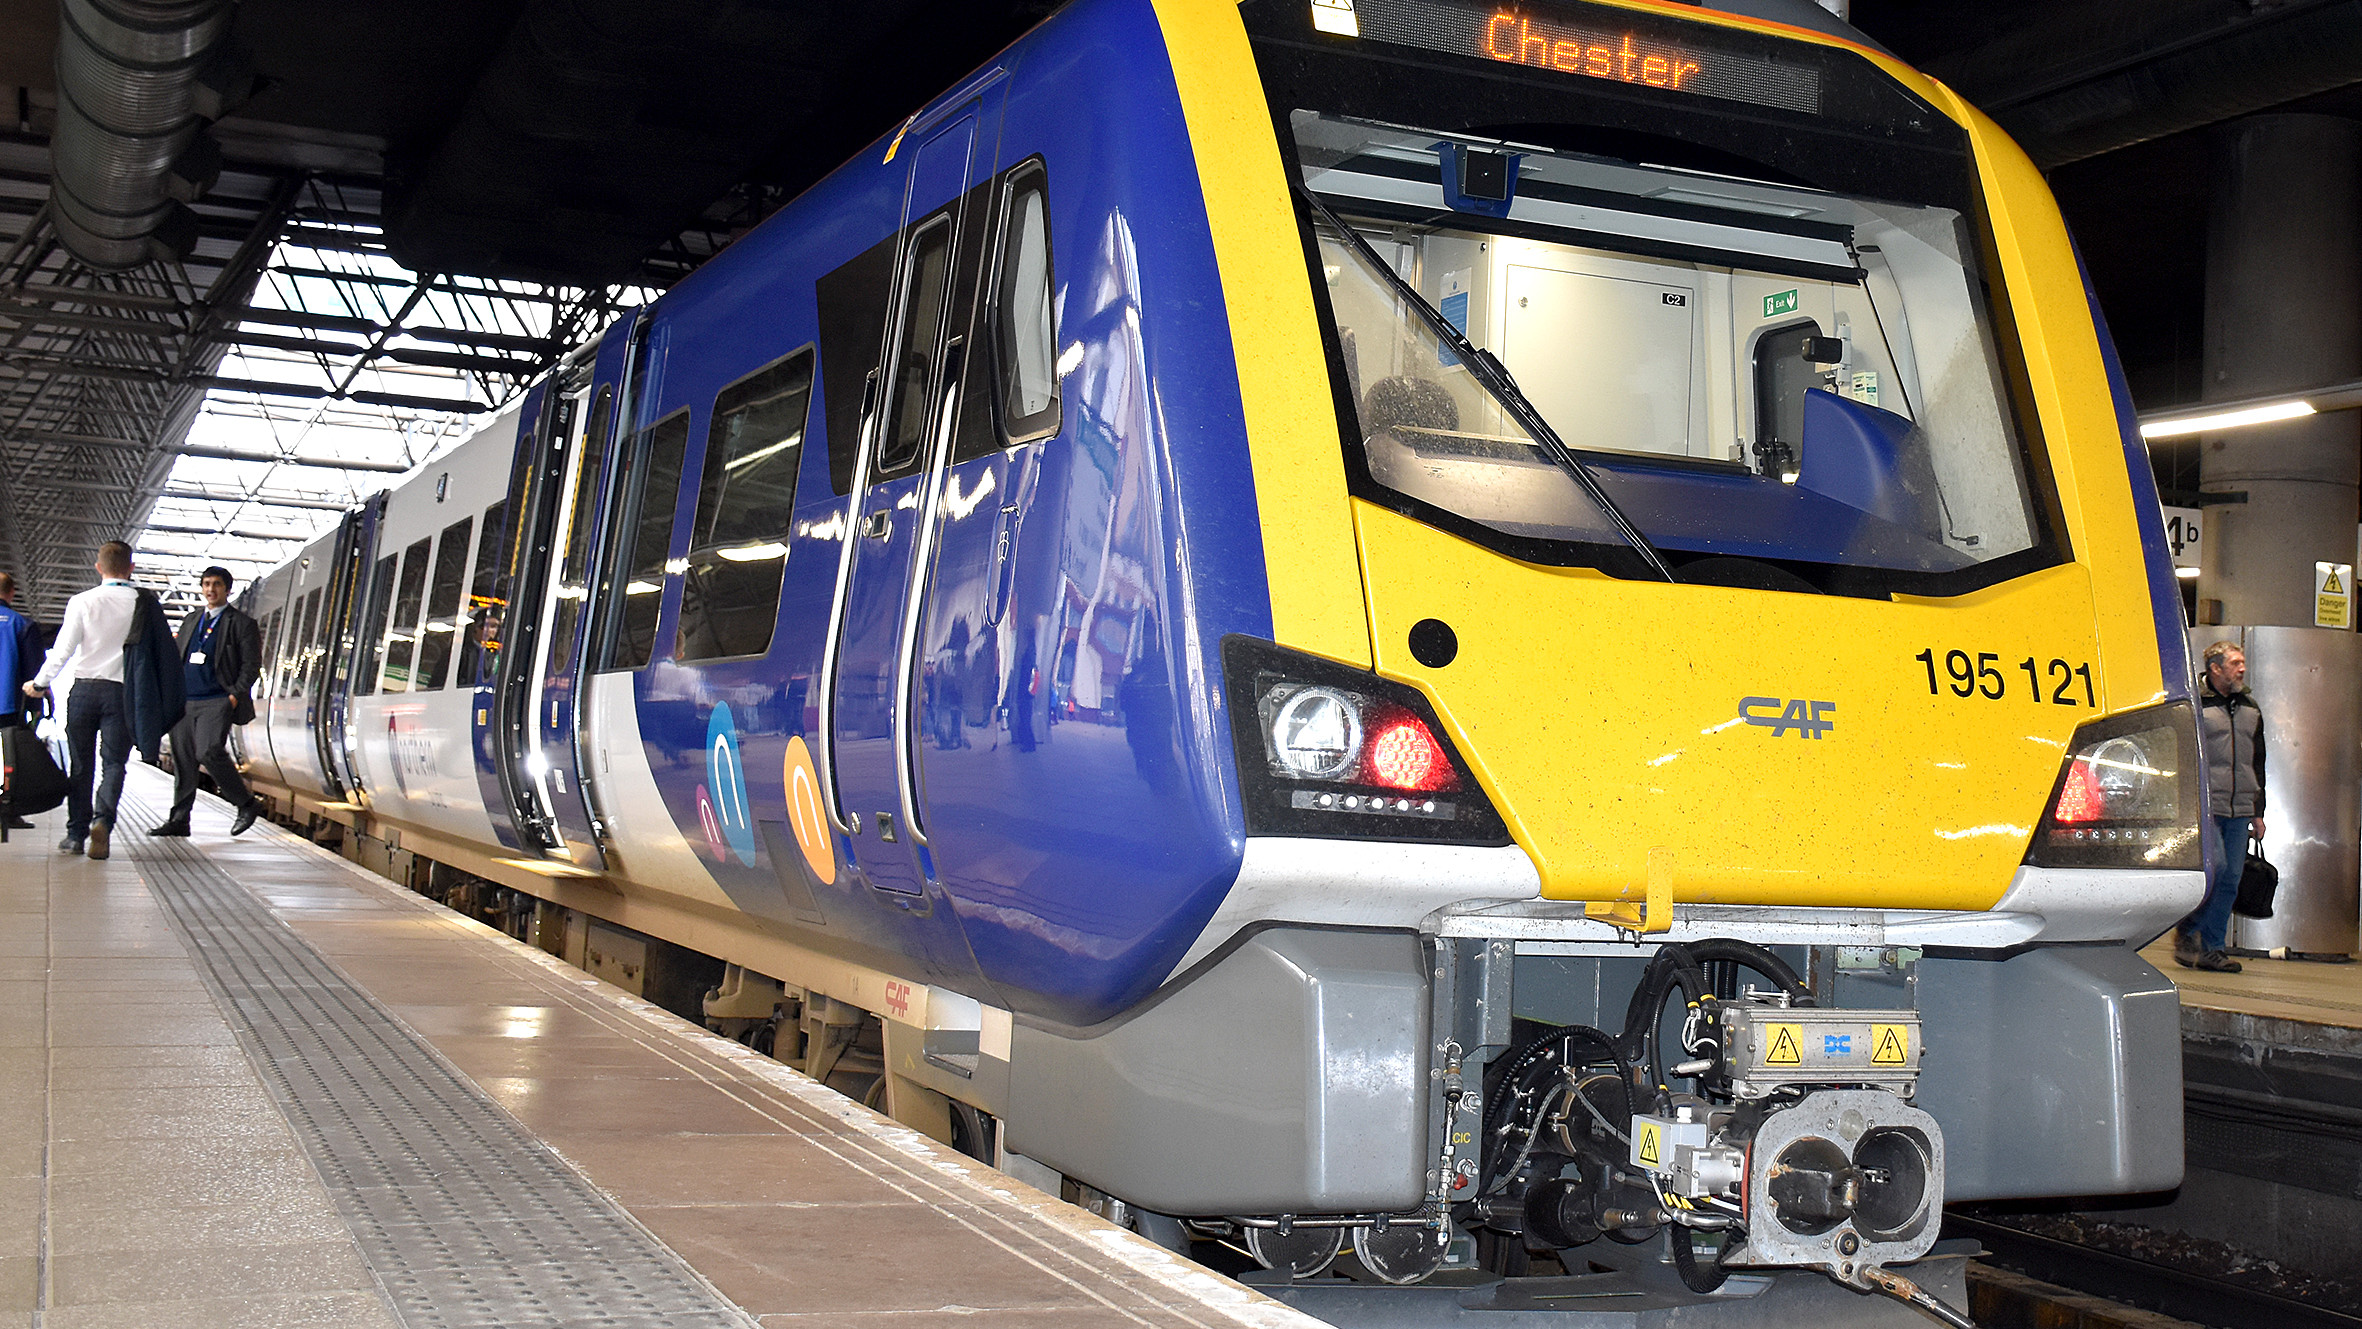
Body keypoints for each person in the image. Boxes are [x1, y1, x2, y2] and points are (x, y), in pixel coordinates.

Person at [23, 542, 142, 859]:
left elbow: (62, 650)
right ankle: (102, 820)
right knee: (114, 763)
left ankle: (76, 835)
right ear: (131, 568)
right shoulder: (141, 602)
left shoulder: (82, 601)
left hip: (84, 691)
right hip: (121, 692)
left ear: (98, 568)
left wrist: (39, 684)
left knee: (81, 765)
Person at [151, 566, 263, 839]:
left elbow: (251, 665)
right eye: (206, 584)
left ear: (228, 589)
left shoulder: (241, 624)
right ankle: (179, 819)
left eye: (216, 584)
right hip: (185, 700)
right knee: (184, 759)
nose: (210, 589)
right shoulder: (191, 620)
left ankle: (246, 803)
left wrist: (234, 695)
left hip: (217, 699)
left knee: (208, 751)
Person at [2179, 640, 2265, 974]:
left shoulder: (2250, 707)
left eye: (2242, 662)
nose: (2241, 668)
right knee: (2215, 873)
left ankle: (2212, 948)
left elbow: (2258, 761)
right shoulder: (2196, 705)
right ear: (2215, 668)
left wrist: (2258, 810)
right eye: (2235, 663)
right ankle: (2189, 930)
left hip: (2240, 805)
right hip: (2206, 806)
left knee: (2231, 877)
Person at [0, 573, 36, 830]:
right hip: (8, 705)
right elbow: (34, 672)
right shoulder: (21, 624)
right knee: (9, 762)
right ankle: (7, 812)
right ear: (11, 593)